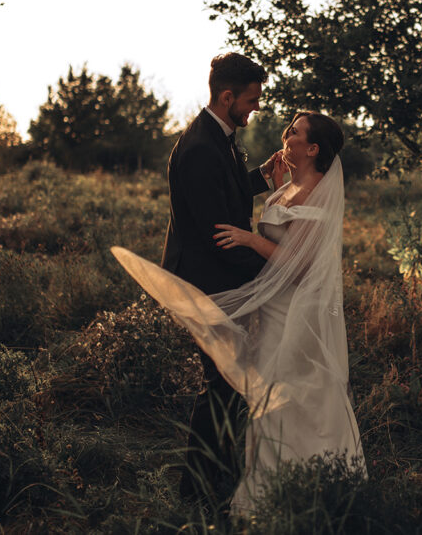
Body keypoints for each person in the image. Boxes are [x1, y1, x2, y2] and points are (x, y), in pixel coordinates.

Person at [112, 111, 365, 516]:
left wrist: (249, 238)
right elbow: (275, 219)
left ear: (313, 148)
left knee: (298, 392)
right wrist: (272, 183)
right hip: (274, 308)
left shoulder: (317, 194)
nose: (287, 134)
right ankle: (267, 486)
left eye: (296, 132)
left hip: (296, 310)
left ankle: (314, 483)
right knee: (269, 395)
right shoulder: (290, 186)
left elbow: (298, 264)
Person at [157, 51, 281, 507]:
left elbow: (223, 195)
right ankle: (197, 494)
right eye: (250, 100)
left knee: (227, 384)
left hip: (216, 280)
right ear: (227, 96)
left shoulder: (218, 137)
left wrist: (262, 178)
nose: (254, 108)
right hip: (205, 283)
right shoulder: (200, 148)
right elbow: (218, 237)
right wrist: (275, 271)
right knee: (223, 384)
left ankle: (213, 480)